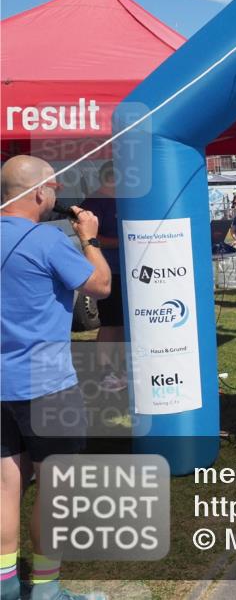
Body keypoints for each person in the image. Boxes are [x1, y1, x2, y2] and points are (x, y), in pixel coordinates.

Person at [1, 155, 111, 600]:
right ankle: (46, 589)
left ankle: (6, 584)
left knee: (6, 483)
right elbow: (100, 285)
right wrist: (90, 239)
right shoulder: (48, 241)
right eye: (54, 187)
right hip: (47, 386)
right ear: (40, 194)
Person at [79, 161, 126, 393]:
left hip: (126, 271)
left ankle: (119, 369)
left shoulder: (119, 200)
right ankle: (105, 371)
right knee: (110, 323)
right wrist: (125, 242)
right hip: (108, 270)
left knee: (122, 323)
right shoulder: (93, 204)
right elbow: (91, 239)